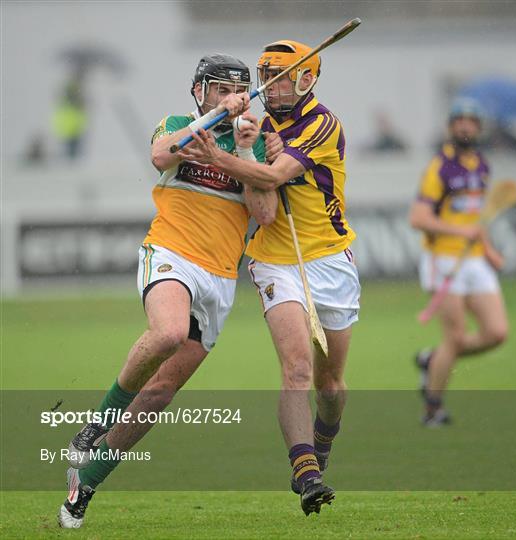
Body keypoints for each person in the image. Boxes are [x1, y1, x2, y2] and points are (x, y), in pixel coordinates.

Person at [58, 53, 282, 528]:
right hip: (170, 253)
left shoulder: (255, 142)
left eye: (234, 90)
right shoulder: (178, 124)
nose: (228, 97)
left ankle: (87, 482)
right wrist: (217, 116)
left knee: (160, 393)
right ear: (199, 90)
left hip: (220, 277)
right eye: (219, 88)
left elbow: (264, 215)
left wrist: (243, 150)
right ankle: (97, 423)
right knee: (167, 333)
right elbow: (161, 156)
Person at [176, 40, 361, 515]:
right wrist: (231, 124)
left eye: (283, 77)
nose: (272, 87)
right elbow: (207, 131)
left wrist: (216, 157)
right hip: (274, 260)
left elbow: (275, 175)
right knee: (296, 367)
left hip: (329, 258)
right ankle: (306, 473)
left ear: (306, 80)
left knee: (332, 387)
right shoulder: (256, 120)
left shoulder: (322, 123)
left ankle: (322, 444)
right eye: (268, 76)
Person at [409, 98, 508, 427]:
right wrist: (459, 230)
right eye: (459, 121)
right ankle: (432, 409)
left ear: (479, 128)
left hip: (475, 261)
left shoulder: (482, 166)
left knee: (497, 332)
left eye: (471, 122)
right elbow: (419, 217)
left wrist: (488, 249)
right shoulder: (440, 167)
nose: (465, 127)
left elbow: (475, 220)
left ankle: (432, 361)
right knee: (455, 336)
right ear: (451, 127)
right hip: (443, 260)